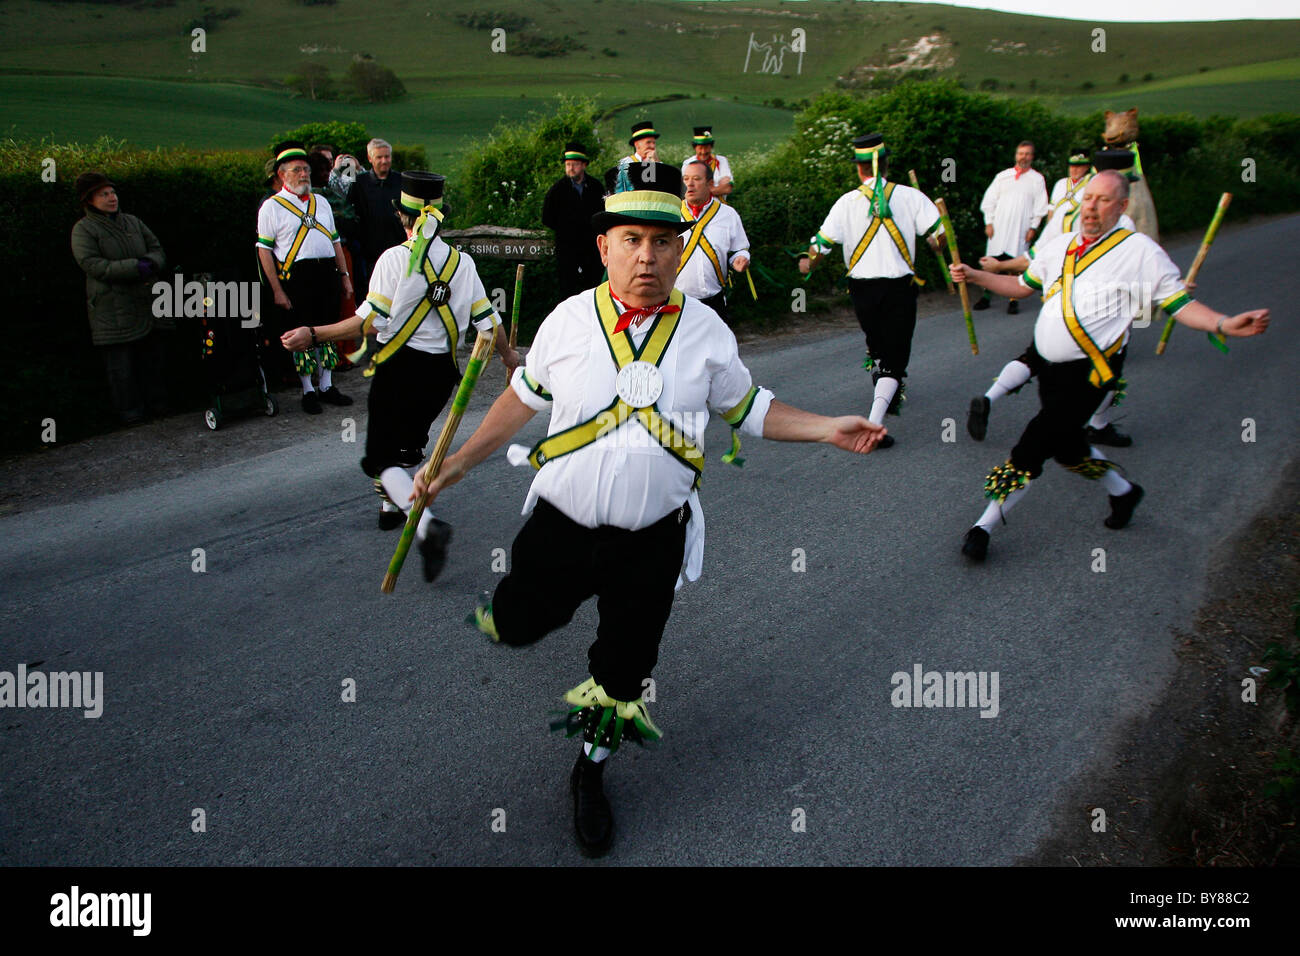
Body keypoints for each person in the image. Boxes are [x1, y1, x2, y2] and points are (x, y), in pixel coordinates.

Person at [409, 162, 887, 857]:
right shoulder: (568, 322)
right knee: (517, 626)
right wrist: (454, 463)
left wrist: (824, 426)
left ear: (681, 248)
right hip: (560, 530)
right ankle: (506, 617)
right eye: (630, 239)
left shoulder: (707, 334)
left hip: (653, 542)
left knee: (625, 673)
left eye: (663, 242)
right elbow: (521, 400)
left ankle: (590, 773)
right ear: (603, 246)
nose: (647, 256)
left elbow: (748, 409)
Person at [950, 170, 1270, 562]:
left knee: (1033, 444)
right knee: (1068, 449)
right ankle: (1124, 491)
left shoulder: (1140, 252)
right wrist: (977, 274)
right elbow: (1021, 287)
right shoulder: (1060, 245)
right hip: (1049, 371)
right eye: (1088, 198)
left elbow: (1179, 305)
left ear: (1121, 207)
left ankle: (983, 526)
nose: (1091, 207)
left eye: (1103, 200)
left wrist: (1222, 323)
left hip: (1091, 374)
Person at [281, 172, 519, 569]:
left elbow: (367, 323)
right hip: (442, 375)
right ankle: (393, 506)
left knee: (380, 458)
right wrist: (510, 359)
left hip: (398, 370)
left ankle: (425, 525)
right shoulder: (463, 263)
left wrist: (313, 334)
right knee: (408, 447)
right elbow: (488, 324)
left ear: (401, 217)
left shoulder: (393, 259)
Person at [966, 150, 1141, 448]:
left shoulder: (1066, 208)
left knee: (1035, 356)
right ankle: (1092, 427)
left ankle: (989, 398)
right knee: (1107, 367)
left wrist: (998, 267)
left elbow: (1033, 260)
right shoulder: (1123, 225)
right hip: (1098, 311)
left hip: (1057, 301)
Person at [798, 133, 945, 448]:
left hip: (861, 290)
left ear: (859, 169)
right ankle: (873, 426)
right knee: (895, 356)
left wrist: (806, 264)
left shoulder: (846, 202)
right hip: (899, 288)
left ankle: (886, 384)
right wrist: (940, 242)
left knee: (878, 345)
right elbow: (938, 239)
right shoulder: (911, 197)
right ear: (886, 164)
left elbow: (819, 248)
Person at [255, 140, 354, 413]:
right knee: (301, 334)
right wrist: (277, 290)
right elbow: (264, 252)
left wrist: (344, 277)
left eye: (306, 169)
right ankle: (308, 389)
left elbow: (335, 242)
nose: (304, 174)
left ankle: (327, 384)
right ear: (281, 175)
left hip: (327, 274)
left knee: (329, 331)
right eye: (297, 170)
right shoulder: (271, 207)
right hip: (297, 278)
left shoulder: (321, 202)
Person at [70, 172, 170, 425]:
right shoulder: (83, 229)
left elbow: (157, 249)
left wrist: (151, 263)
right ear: (89, 200)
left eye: (112, 192)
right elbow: (93, 265)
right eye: (103, 194)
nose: (111, 198)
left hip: (146, 301)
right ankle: (130, 414)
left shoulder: (133, 222)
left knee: (153, 359)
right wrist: (135, 267)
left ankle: (159, 405)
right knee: (120, 366)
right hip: (112, 307)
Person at [976, 141, 1049, 314]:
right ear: (1016, 155)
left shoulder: (1037, 179)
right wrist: (988, 222)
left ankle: (1013, 299)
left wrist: (1033, 227)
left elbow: (1040, 205)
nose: (1024, 157)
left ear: (1032, 157)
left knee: (1015, 263)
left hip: (1020, 227)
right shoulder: (1003, 176)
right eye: (1021, 153)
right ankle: (986, 296)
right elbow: (989, 200)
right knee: (992, 261)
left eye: (1027, 154)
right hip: (999, 226)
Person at [676, 159, 749, 320]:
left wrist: (741, 258)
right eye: (686, 179)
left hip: (715, 300)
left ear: (709, 184)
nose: (690, 184)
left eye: (696, 179)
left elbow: (739, 248)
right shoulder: (671, 213)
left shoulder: (728, 214)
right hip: (677, 302)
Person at [541, 142, 606, 299]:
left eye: (575, 164)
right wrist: (566, 229)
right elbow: (547, 218)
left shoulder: (596, 188)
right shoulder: (557, 190)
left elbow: (604, 214)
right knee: (567, 289)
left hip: (592, 249)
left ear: (583, 165)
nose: (570, 168)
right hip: (567, 249)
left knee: (593, 288)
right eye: (568, 164)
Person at [349, 138, 405, 295]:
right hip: (370, 254)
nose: (384, 161)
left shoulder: (402, 181)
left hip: (398, 249)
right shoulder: (359, 183)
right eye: (379, 157)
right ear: (370, 158)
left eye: (387, 157)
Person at [678, 126, 733, 201]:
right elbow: (684, 190)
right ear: (695, 148)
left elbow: (727, 188)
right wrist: (715, 188)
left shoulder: (721, 161)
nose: (703, 152)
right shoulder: (688, 163)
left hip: (718, 208)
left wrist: (698, 191)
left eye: (706, 147)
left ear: (711, 147)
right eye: (700, 148)